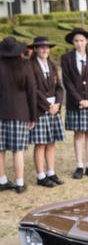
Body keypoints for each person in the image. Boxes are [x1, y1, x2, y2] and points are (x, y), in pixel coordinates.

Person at [61, 27, 88, 179]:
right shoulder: (67, 58)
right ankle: (79, 165)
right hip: (75, 103)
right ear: (73, 42)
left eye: (82, 40)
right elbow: (67, 82)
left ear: (87, 42)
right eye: (76, 41)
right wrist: (80, 100)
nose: (79, 43)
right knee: (78, 133)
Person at [0, 35, 37, 194]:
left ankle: (1, 180)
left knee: (0, 150)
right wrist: (33, 116)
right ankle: (20, 183)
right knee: (18, 150)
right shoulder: (25, 65)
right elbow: (31, 92)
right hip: (19, 111)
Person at [28, 37, 65, 187]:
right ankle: (41, 176)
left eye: (47, 47)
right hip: (40, 108)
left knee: (51, 142)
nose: (45, 50)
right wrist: (47, 106)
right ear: (35, 49)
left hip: (54, 108)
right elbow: (33, 89)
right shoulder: (30, 66)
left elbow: (59, 87)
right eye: (41, 47)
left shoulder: (52, 64)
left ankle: (51, 172)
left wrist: (57, 104)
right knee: (41, 143)